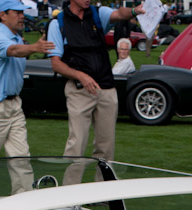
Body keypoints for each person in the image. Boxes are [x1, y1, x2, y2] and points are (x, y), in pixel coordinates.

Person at [46, 0, 145, 184]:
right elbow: (56, 63)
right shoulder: (57, 23)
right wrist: (80, 76)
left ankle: (103, 194)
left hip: (106, 88)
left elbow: (119, 14)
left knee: (106, 147)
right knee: (76, 145)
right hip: (79, 90)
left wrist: (134, 11)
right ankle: (69, 194)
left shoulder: (98, 14)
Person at [0, 0, 55, 195]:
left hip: (14, 107)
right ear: (3, 15)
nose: (22, 15)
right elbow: (13, 52)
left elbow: (19, 50)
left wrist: (35, 46)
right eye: (16, 12)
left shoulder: (18, 38)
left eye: (22, 12)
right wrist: (35, 47)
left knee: (21, 161)